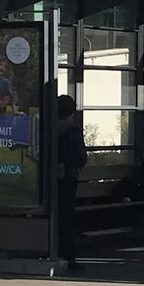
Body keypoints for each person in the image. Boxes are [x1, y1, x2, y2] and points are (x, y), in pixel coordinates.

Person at [56, 94, 88, 270]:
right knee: (66, 216)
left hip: (51, 177)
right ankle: (68, 255)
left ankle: (54, 249)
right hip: (68, 176)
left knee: (56, 214)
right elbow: (81, 157)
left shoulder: (49, 127)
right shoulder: (72, 130)